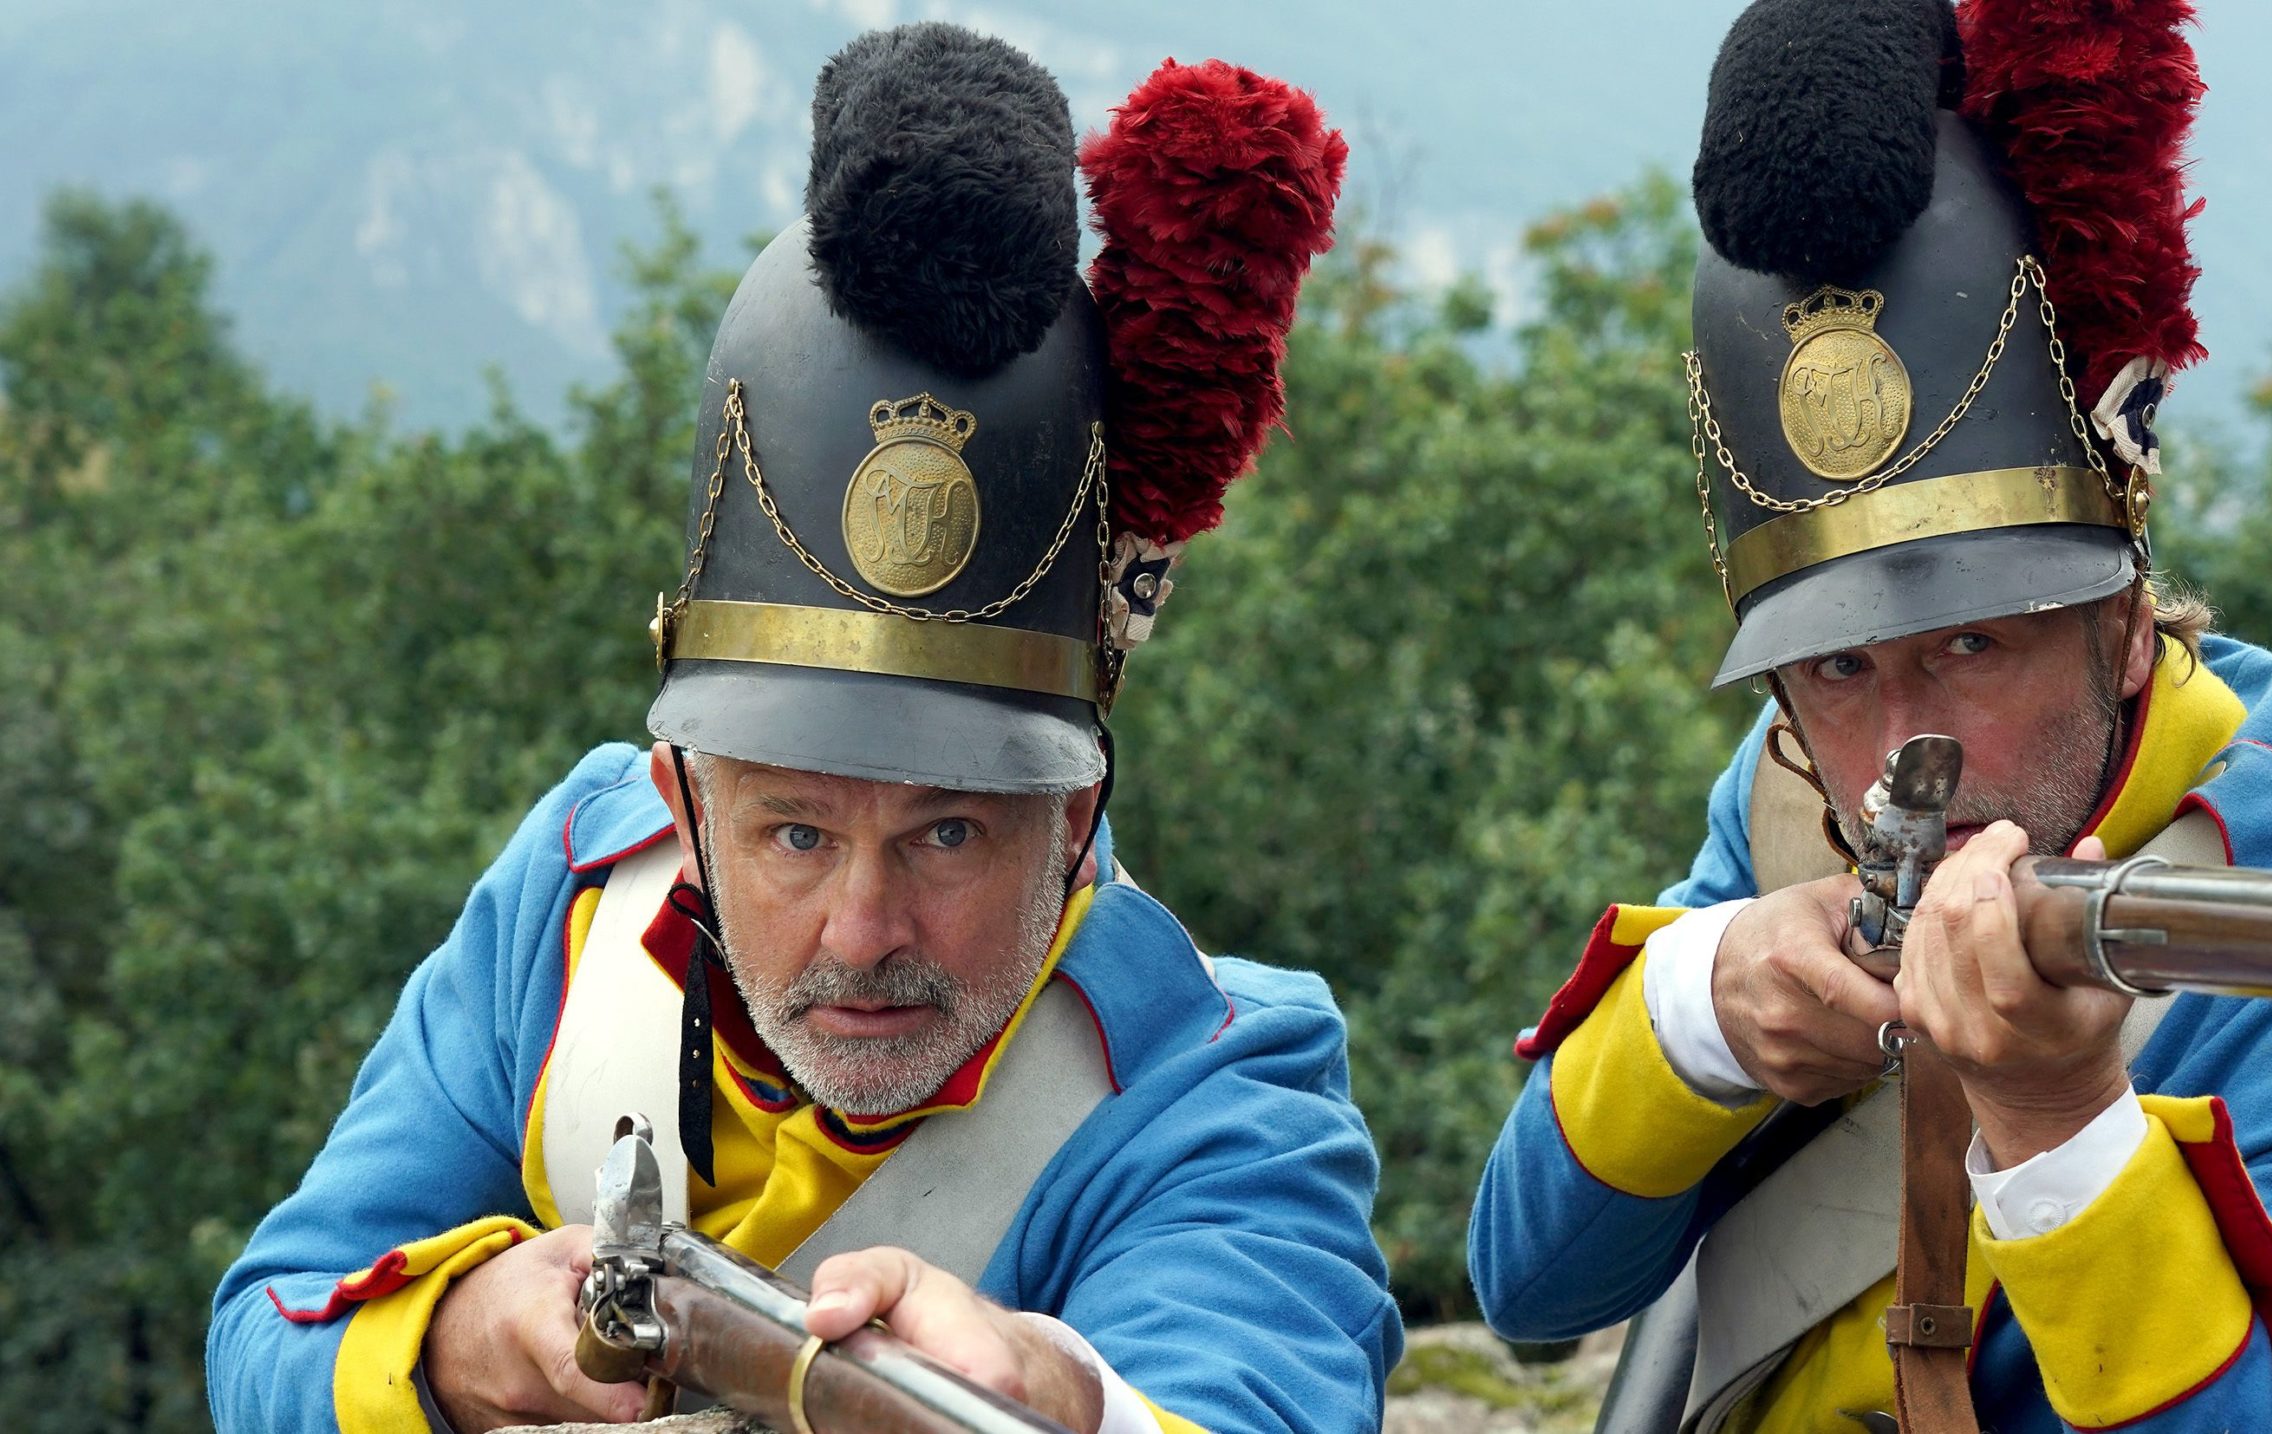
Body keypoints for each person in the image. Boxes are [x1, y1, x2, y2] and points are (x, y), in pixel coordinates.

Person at [207, 25, 1393, 1434]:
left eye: (947, 832)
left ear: (1073, 819)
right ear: (683, 801)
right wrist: (458, 1340)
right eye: (795, 831)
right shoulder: (567, 903)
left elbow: (1259, 1394)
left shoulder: (1222, 1089)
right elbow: (267, 1332)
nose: (862, 930)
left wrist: (1060, 1399)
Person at [1469, 0, 2272, 1428]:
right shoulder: (1790, 803)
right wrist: (1702, 1017)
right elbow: (1529, 1285)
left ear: (2124, 627)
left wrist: (2060, 1124)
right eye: (1839, 669)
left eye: (1972, 644)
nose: (1901, 756)